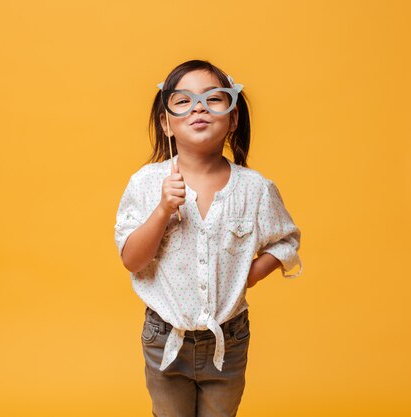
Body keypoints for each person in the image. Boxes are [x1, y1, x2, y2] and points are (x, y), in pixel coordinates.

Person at [114, 59, 303, 417]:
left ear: (233, 118)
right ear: (166, 123)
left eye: (213, 98)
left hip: (227, 341)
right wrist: (161, 211)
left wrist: (249, 274)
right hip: (164, 337)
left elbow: (286, 242)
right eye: (183, 100)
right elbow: (132, 260)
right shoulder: (145, 183)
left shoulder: (255, 189)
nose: (198, 107)